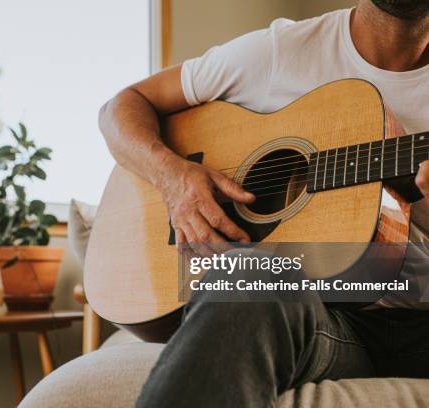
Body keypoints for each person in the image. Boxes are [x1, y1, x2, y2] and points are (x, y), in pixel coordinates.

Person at [98, 0, 429, 406]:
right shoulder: (281, 51)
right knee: (247, 273)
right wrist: (173, 178)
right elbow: (121, 106)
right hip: (323, 318)